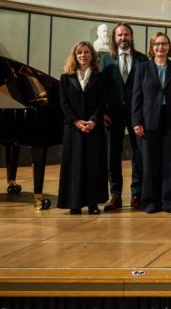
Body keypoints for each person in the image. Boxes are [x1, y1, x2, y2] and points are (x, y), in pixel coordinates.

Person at [132, 32, 171, 214]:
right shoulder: (142, 68)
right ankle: (150, 201)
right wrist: (136, 121)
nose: (160, 47)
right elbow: (137, 97)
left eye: (164, 44)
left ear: (169, 47)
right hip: (149, 121)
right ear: (152, 47)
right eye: (157, 44)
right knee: (150, 163)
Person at [99, 23, 148, 211]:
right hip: (112, 115)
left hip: (137, 115)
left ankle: (137, 194)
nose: (123, 38)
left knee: (138, 154)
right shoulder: (105, 59)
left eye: (126, 34)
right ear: (114, 38)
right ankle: (116, 196)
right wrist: (103, 111)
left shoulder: (142, 59)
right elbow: (101, 88)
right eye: (119, 35)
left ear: (131, 36)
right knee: (113, 155)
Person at [57, 41, 109, 215]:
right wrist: (76, 121)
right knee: (75, 166)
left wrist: (94, 120)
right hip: (73, 128)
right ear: (75, 56)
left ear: (92, 55)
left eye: (87, 52)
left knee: (93, 165)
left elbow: (103, 102)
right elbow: (64, 104)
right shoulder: (66, 78)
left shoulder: (100, 77)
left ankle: (92, 203)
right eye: (79, 52)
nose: (83, 55)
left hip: (94, 127)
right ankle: (75, 203)